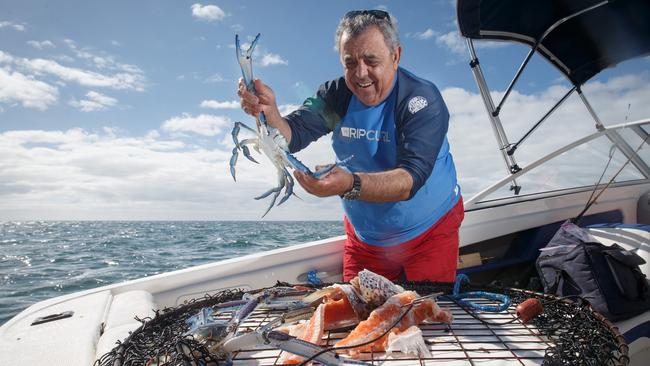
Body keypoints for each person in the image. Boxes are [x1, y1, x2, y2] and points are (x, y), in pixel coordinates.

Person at [237, 9, 463, 282]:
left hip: (430, 232)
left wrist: (349, 184)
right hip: (366, 239)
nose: (360, 73)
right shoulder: (337, 95)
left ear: (396, 56)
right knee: (356, 316)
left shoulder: (420, 100)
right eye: (350, 62)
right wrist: (269, 112)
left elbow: (409, 180)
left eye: (371, 60)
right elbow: (294, 133)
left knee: (426, 316)